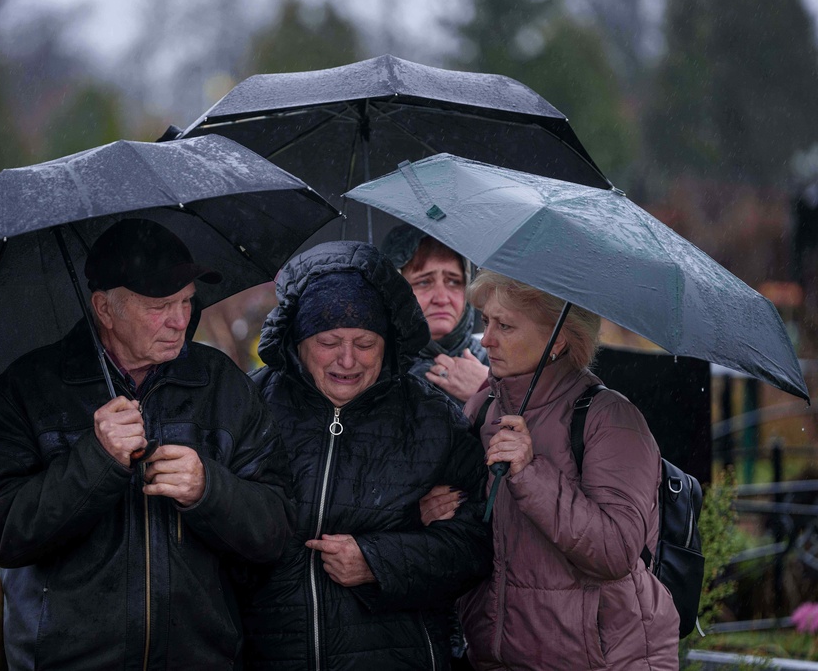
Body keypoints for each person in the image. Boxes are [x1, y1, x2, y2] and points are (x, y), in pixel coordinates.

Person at [0, 218, 295, 671]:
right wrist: (95, 461)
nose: (180, 321)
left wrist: (209, 491)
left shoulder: (221, 386)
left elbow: (277, 530)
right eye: (160, 306)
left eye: (186, 301)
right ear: (104, 309)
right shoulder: (27, 391)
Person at [239, 240, 494, 670]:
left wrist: (379, 561)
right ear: (299, 340)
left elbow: (477, 545)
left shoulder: (431, 419)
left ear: (386, 341)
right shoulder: (250, 405)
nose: (347, 359)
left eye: (365, 342)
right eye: (328, 340)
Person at [451, 269, 679, 670]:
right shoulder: (484, 407)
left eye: (505, 325)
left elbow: (615, 552)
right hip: (498, 657)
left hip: (604, 660)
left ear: (557, 339)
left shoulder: (611, 419)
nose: (486, 339)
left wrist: (530, 472)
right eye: (486, 321)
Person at [380, 223, 489, 406]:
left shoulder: (501, 362)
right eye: (424, 282)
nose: (442, 298)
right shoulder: (369, 367)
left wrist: (489, 393)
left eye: (454, 281)